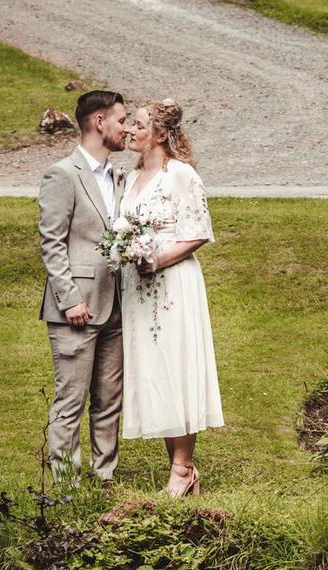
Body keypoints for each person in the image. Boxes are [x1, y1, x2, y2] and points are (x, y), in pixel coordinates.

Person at [119, 99, 224, 497]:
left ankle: (181, 469)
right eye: (130, 122)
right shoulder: (130, 180)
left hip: (173, 284)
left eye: (140, 124)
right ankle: (184, 470)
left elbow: (198, 233)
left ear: (161, 135)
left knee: (177, 365)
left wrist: (157, 259)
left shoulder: (180, 175)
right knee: (156, 370)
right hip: (139, 290)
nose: (130, 129)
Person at [38, 90, 127, 483]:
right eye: (122, 120)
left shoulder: (120, 177)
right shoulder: (62, 174)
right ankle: (66, 488)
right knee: (70, 400)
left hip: (117, 307)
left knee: (109, 400)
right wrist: (70, 299)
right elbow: (52, 242)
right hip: (76, 310)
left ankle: (104, 477)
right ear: (99, 122)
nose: (127, 128)